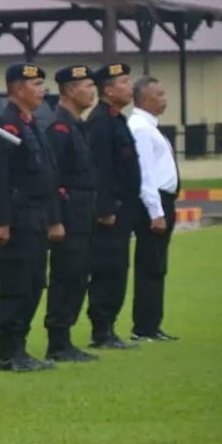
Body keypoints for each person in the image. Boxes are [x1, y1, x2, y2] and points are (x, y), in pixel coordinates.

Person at [0, 62, 62, 372]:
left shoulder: (31, 124)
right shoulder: (8, 125)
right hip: (15, 217)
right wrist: (2, 221)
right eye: (36, 84)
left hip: (36, 216)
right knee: (16, 284)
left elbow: (48, 176)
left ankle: (21, 348)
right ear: (18, 89)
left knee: (33, 284)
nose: (42, 89)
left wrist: (54, 218)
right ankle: (8, 352)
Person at [43, 65, 101, 362]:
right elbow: (53, 178)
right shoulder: (59, 127)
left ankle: (65, 337)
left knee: (79, 275)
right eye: (87, 85)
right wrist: (55, 219)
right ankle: (57, 340)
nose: (93, 90)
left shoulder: (77, 125)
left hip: (82, 212)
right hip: (67, 215)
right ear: (68, 90)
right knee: (66, 275)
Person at [85, 62, 141, 350]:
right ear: (107, 89)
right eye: (124, 82)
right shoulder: (101, 121)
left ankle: (108, 328)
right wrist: (105, 208)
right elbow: (100, 169)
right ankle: (101, 330)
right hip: (110, 212)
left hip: (123, 209)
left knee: (118, 268)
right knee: (108, 269)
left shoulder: (117, 118)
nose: (130, 87)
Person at [128, 76, 181, 342]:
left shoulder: (150, 127)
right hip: (155, 202)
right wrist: (155, 211)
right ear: (146, 98)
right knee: (151, 265)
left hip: (163, 201)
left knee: (158, 265)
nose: (165, 98)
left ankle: (152, 324)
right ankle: (144, 327)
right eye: (160, 94)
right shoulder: (140, 128)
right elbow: (145, 173)